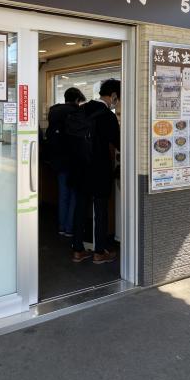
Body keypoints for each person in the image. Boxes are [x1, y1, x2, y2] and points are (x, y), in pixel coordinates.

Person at [71, 79, 120, 263]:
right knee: (100, 210)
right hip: (99, 169)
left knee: (80, 208)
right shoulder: (107, 116)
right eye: (118, 98)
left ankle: (78, 250)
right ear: (113, 96)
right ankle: (99, 252)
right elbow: (118, 142)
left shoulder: (81, 109)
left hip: (80, 167)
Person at [46, 87, 86, 236]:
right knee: (74, 194)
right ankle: (70, 228)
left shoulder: (54, 112)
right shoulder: (77, 112)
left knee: (63, 194)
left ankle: (62, 227)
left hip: (57, 160)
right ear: (77, 99)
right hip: (73, 160)